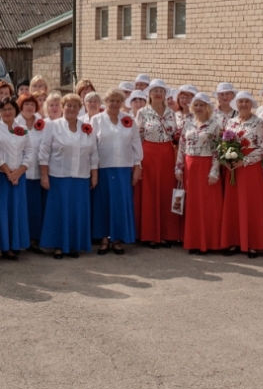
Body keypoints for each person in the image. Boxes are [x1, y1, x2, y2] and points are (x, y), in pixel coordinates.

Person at [39, 92, 97, 259]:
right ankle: (58, 246)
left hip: (81, 177)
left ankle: (73, 245)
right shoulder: (53, 126)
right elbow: (44, 152)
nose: (71, 108)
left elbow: (93, 153)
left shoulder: (87, 128)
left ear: (80, 108)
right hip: (59, 177)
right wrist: (44, 176)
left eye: (75, 106)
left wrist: (94, 175)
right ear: (62, 107)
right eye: (68, 105)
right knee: (59, 212)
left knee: (76, 212)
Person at [219, 91, 263, 258]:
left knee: (251, 204)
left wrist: (244, 161)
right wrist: (226, 159)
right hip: (233, 169)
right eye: (240, 102)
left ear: (251, 104)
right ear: (236, 104)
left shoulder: (258, 123)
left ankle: (254, 243)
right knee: (233, 205)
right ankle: (234, 241)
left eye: (246, 102)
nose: (243, 105)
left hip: (250, 169)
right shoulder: (231, 122)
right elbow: (223, 145)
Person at [89, 88, 140, 256]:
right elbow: (92, 147)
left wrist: (137, 166)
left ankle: (117, 239)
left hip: (123, 168)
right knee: (103, 203)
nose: (114, 104)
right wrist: (94, 170)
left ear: (122, 103)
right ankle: (104, 239)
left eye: (117, 101)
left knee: (120, 203)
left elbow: (135, 143)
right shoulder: (96, 120)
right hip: (103, 168)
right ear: (105, 102)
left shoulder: (128, 119)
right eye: (111, 100)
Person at [176, 93, 225, 255]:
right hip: (190, 168)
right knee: (193, 205)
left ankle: (210, 242)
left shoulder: (215, 125)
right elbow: (182, 146)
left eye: (201, 105)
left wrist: (214, 171)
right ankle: (194, 241)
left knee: (208, 205)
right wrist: (178, 167)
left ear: (207, 108)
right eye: (196, 105)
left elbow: (219, 150)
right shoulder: (188, 123)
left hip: (206, 166)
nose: (198, 108)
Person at [133, 81, 179, 247]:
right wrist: (137, 162)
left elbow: (174, 135)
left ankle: (167, 233)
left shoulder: (171, 113)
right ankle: (150, 234)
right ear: (149, 94)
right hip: (149, 155)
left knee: (167, 192)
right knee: (150, 193)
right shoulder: (142, 112)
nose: (158, 93)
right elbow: (137, 138)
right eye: (155, 91)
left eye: (161, 90)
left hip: (167, 156)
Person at [0, 98, 33, 261]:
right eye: (3, 109)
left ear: (16, 111)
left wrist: (19, 171)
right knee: (0, 212)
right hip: (0, 177)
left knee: (15, 211)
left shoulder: (22, 129)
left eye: (10, 109)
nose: (7, 112)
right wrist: (8, 171)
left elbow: (29, 151)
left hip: (18, 178)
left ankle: (12, 247)